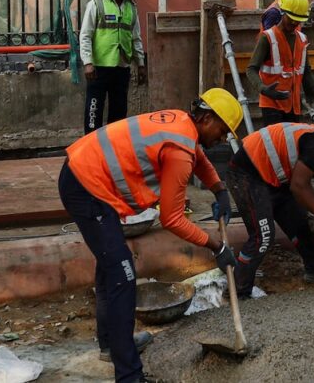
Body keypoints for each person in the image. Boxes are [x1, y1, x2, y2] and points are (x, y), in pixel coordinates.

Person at [59, 89, 242, 383]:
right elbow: (172, 218)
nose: (222, 139)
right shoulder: (181, 148)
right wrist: (217, 246)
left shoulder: (182, 124)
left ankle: (112, 345)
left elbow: (198, 156)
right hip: (86, 187)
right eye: (222, 131)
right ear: (206, 118)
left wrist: (219, 188)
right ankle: (129, 375)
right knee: (123, 275)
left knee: (112, 268)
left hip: (82, 174)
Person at [227, 120, 314, 297]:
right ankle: (238, 291)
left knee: (299, 221)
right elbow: (299, 186)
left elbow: (298, 185)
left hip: (270, 176)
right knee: (262, 236)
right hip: (246, 175)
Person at [80, 0, 147, 134]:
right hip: (98, 69)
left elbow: (136, 38)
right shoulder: (96, 4)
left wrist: (140, 64)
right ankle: (92, 147)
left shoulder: (131, 8)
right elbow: (85, 35)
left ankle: (114, 149)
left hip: (121, 68)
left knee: (118, 115)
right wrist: (88, 62)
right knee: (94, 112)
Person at [246, 0, 314, 124]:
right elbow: (251, 69)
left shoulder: (302, 39)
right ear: (282, 13)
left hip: (294, 105)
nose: (294, 23)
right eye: (291, 19)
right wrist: (263, 88)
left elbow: (305, 71)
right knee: (275, 143)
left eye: (298, 21)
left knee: (292, 143)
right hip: (271, 105)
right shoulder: (267, 38)